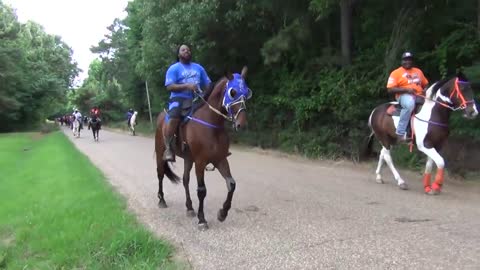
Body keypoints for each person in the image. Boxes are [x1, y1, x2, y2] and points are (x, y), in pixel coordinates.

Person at [163, 44, 212, 161]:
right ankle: (169, 148)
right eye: (183, 50)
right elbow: (169, 86)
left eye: (188, 50)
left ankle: (215, 144)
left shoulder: (198, 68)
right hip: (179, 98)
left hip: (198, 97)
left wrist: (205, 94)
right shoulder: (174, 68)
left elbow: (209, 83)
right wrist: (187, 86)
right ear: (179, 54)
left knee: (212, 114)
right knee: (174, 117)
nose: (187, 51)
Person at [387, 52, 429, 142]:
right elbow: (390, 89)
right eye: (405, 60)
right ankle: (400, 133)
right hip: (403, 96)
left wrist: (426, 89)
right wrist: (406, 90)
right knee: (410, 104)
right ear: (402, 61)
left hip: (420, 95)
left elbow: (425, 84)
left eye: (409, 59)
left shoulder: (418, 71)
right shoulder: (396, 73)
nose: (407, 62)